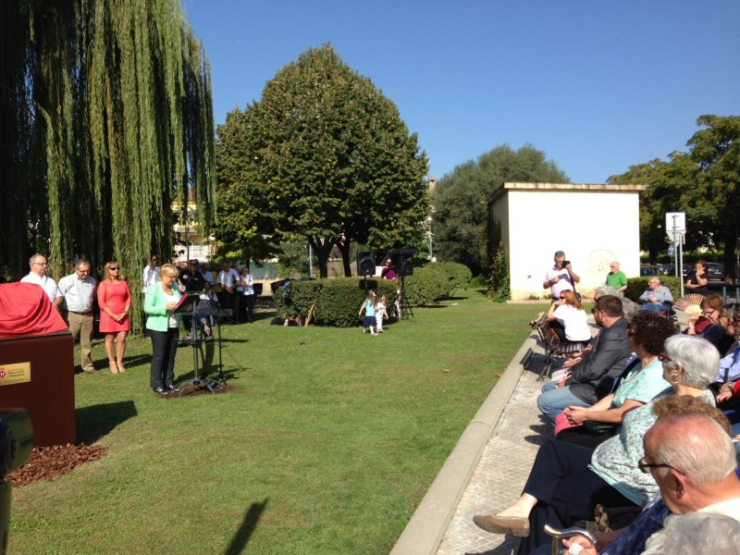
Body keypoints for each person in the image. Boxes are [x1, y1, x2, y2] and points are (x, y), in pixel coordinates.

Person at [473, 334, 720, 553]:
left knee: (552, 498)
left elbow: (654, 464)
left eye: (665, 359)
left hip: (629, 484)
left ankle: (535, 544)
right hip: (610, 464)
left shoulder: (693, 414)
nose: (660, 362)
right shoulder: (671, 393)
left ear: (677, 370)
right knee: (554, 450)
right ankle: (520, 510)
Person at [531, 400, 740, 555]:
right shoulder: (695, 491)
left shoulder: (714, 542)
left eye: (647, 465)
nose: (647, 472)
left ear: (677, 482)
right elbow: (647, 522)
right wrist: (603, 539)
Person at [556, 310, 675, 448]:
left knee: (564, 439)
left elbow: (623, 414)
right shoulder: (639, 363)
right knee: (563, 426)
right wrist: (589, 411)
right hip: (614, 422)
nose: (626, 334)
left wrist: (586, 416)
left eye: (630, 333)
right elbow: (617, 394)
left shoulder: (654, 373)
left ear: (642, 342)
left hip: (624, 435)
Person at [537, 295, 631, 424]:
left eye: (594, 311)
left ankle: (573, 434)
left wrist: (569, 381)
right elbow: (594, 362)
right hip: (595, 382)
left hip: (598, 390)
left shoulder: (613, 335)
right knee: (548, 387)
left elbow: (594, 369)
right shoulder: (616, 328)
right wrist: (572, 373)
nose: (594, 314)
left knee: (544, 401)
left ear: (602, 313)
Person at [144, 263, 182, 394]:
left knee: (171, 356)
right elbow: (147, 308)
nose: (173, 280)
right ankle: (157, 384)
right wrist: (164, 308)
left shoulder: (175, 288)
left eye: (174, 277)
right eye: (171, 277)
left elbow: (180, 302)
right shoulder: (153, 289)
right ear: (163, 275)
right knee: (159, 356)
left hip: (173, 325)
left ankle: (169, 382)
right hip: (158, 327)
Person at [57, 259, 97, 374]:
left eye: (88, 271)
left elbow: (92, 296)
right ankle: (66, 367)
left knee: (87, 343)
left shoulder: (92, 281)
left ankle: (88, 366)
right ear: (75, 269)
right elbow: (59, 297)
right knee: (68, 342)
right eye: (83, 271)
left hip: (87, 315)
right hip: (71, 315)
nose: (86, 273)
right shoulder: (66, 281)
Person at [97, 261, 131, 374]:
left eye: (117, 268)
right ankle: (112, 361)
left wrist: (125, 312)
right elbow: (101, 302)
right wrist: (112, 315)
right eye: (113, 268)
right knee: (109, 339)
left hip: (122, 314)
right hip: (108, 315)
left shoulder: (123, 283)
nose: (116, 270)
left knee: (122, 338)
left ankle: (120, 361)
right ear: (108, 270)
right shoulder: (103, 284)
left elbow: (128, 298)